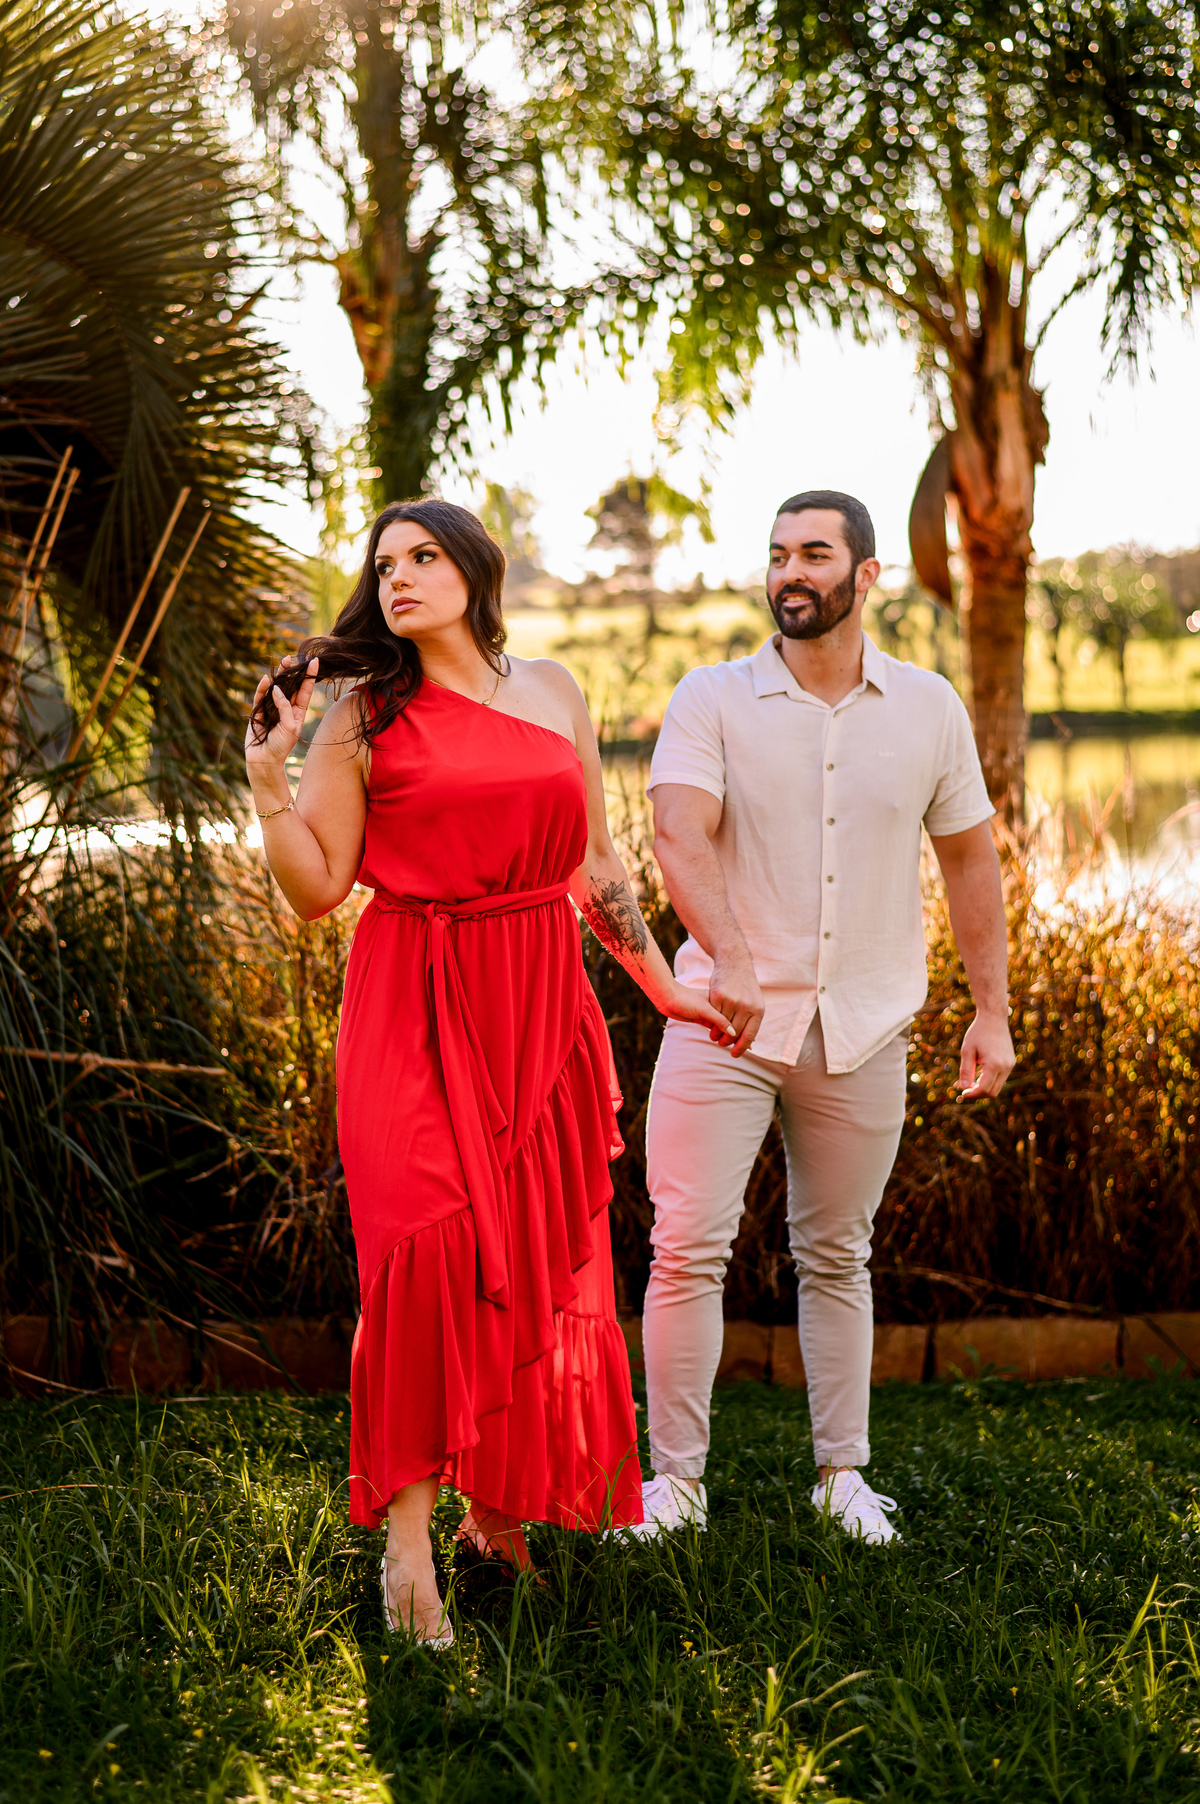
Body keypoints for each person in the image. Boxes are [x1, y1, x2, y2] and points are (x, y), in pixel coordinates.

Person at [244, 498, 731, 1644]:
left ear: (473, 565)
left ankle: (497, 1515)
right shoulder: (366, 711)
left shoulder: (555, 689)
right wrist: (272, 782)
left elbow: (594, 863)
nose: (400, 578)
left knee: (527, 1243)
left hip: (537, 1001)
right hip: (413, 997)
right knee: (422, 1251)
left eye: (422, 557)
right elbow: (318, 890)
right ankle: (406, 1548)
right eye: (384, 567)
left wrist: (664, 989)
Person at [630, 489, 1014, 1545]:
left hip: (864, 1024)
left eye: (813, 552)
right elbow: (676, 831)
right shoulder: (712, 696)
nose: (790, 570)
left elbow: (970, 856)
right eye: (777, 552)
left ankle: (844, 1477)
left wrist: (993, 1009)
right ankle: (677, 1486)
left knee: (838, 1253)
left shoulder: (930, 707)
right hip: (726, 1022)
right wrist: (739, 961)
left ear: (866, 574)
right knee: (685, 1248)